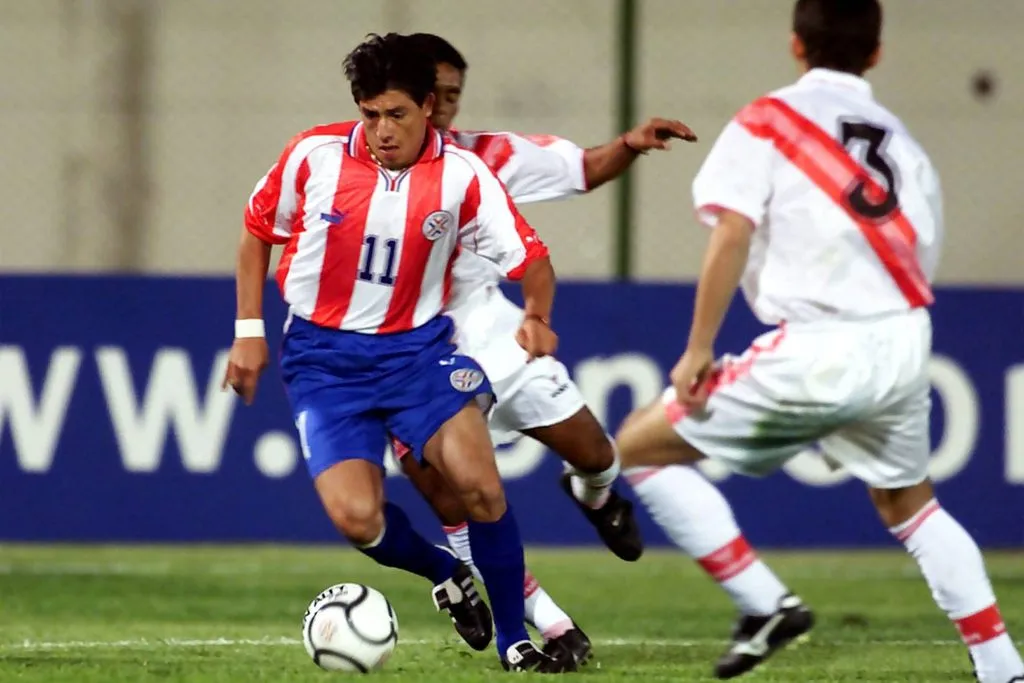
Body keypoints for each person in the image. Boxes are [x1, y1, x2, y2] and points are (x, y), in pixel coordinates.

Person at [615, 1, 1024, 681]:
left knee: (635, 446)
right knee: (909, 503)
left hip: (819, 345)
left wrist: (698, 347)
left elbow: (732, 230)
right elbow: (923, 250)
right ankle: (1002, 666)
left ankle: (764, 601)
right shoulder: (905, 143)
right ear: (878, 52)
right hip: (901, 340)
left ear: (796, 43)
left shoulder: (767, 121)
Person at [222, 33, 574, 673]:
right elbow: (256, 232)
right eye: (371, 114)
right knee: (359, 521)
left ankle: (515, 641)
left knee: (481, 486)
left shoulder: (464, 175)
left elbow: (535, 260)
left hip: (418, 355)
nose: (382, 130)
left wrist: (538, 317)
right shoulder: (314, 155)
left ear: (430, 106)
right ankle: (445, 571)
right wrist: (249, 330)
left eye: (398, 114)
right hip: (323, 362)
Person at [384, 32, 697, 669]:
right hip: (413, 357)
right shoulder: (357, 173)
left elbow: (580, 170)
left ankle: (596, 492)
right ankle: (550, 627)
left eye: (452, 96)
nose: (444, 107)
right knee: (452, 500)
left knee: (595, 453)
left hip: (498, 337)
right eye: (432, 95)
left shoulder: (484, 157)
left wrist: (629, 146)